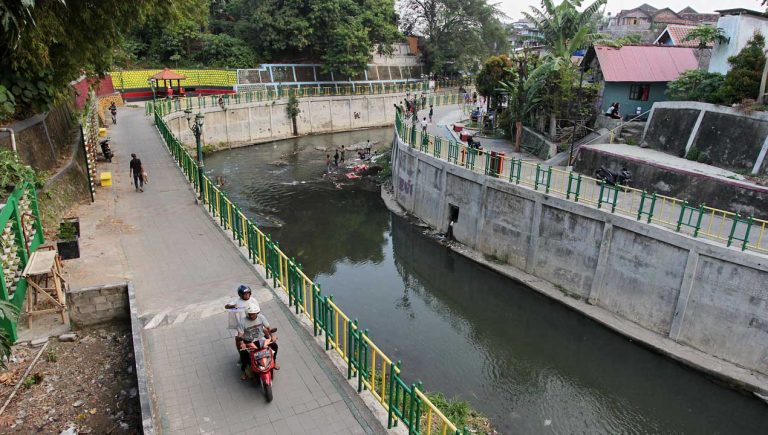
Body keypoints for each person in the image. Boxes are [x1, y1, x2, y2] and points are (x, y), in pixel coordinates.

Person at [238, 306, 279, 379]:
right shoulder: (243, 321)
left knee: (274, 346)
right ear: (247, 314)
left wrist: (272, 336)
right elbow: (240, 334)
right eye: (250, 314)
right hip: (249, 341)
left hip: (261, 339)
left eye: (254, 314)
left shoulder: (261, 317)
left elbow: (268, 328)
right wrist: (242, 343)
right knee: (244, 354)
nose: (252, 315)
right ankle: (245, 371)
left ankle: (274, 361)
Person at [225, 284, 260, 351]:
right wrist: (231, 306)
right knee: (238, 339)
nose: (247, 295)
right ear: (241, 295)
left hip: (254, 322)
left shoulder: (253, 300)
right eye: (245, 294)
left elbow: (258, 311)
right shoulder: (237, 302)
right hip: (242, 325)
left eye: (248, 293)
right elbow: (226, 306)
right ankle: (241, 354)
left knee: (266, 331)